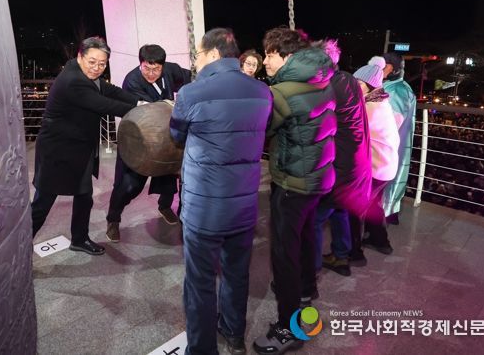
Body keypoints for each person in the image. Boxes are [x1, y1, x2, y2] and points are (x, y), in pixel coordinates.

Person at [170, 28, 272, 355]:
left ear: (213, 54)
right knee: (237, 273)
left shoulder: (192, 93)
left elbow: (176, 135)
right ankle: (233, 333)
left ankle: (202, 349)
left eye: (198, 55)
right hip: (244, 206)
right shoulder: (262, 92)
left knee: (199, 281)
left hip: (204, 209)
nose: (196, 62)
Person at [253, 27, 336, 355]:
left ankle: (288, 328)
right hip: (318, 178)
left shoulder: (282, 92)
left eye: (269, 54)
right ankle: (305, 290)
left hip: (293, 182)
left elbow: (262, 129)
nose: (265, 61)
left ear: (286, 56)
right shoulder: (323, 80)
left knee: (284, 253)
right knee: (306, 236)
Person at [30, 36, 139, 256]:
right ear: (80, 56)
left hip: (79, 149)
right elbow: (104, 104)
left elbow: (111, 91)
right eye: (92, 62)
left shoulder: (86, 74)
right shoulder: (73, 80)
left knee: (84, 196)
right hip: (58, 151)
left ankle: (79, 239)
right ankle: (19, 247)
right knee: (43, 202)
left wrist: (140, 102)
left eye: (102, 64)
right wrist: (140, 111)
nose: (97, 68)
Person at [105, 44, 191, 242]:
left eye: (156, 69)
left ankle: (164, 206)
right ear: (140, 64)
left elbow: (189, 78)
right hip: (138, 140)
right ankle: (113, 219)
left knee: (169, 178)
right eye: (146, 68)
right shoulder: (132, 81)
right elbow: (151, 112)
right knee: (128, 186)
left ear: (163, 65)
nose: (151, 73)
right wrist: (171, 104)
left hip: (165, 138)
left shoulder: (171, 70)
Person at [313, 40, 372, 277]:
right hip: (358, 162)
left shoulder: (327, 88)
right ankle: (341, 256)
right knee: (339, 209)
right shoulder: (348, 79)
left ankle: (310, 270)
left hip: (340, 164)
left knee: (315, 218)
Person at [350, 56, 400, 260]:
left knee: (353, 207)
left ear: (370, 86)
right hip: (387, 166)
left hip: (377, 168)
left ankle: (353, 253)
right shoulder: (381, 102)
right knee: (374, 203)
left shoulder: (369, 107)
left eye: (358, 83)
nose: (354, 86)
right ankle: (380, 241)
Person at [381, 52, 417, 225]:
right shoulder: (399, 87)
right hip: (394, 147)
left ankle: (384, 216)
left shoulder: (396, 90)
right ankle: (389, 213)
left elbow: (391, 123)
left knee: (388, 181)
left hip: (389, 147)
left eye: (382, 66)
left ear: (392, 68)